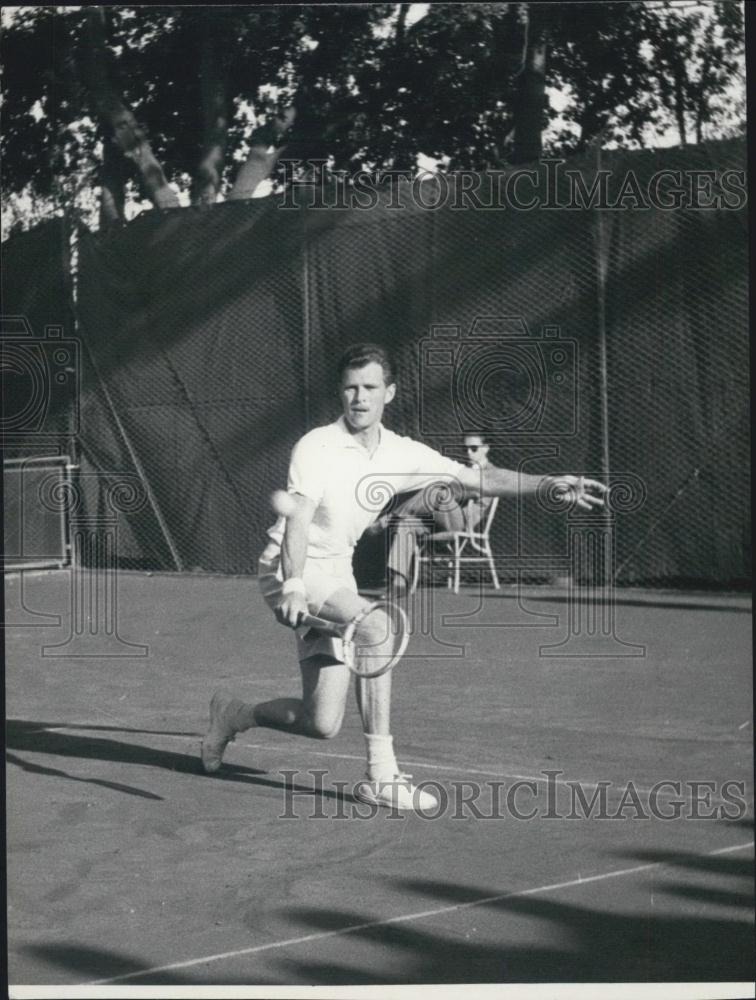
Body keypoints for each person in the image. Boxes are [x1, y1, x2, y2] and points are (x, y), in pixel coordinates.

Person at [201, 343, 606, 812]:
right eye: (351, 388)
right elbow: (298, 520)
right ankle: (381, 774)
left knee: (321, 721)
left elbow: (478, 479)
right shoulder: (316, 446)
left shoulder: (403, 453)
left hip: (336, 575)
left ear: (388, 393)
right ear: (340, 392)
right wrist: (292, 585)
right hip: (289, 569)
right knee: (377, 627)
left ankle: (233, 714)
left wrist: (550, 483)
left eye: (370, 387)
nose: (359, 397)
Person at [380, 431, 497, 593]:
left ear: (486, 448)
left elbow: (475, 499)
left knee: (437, 490)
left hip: (462, 522)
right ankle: (398, 582)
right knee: (407, 523)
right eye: (465, 449)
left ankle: (388, 518)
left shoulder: (491, 474)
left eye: (474, 448)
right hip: (440, 519)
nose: (469, 453)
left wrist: (454, 490)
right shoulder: (462, 470)